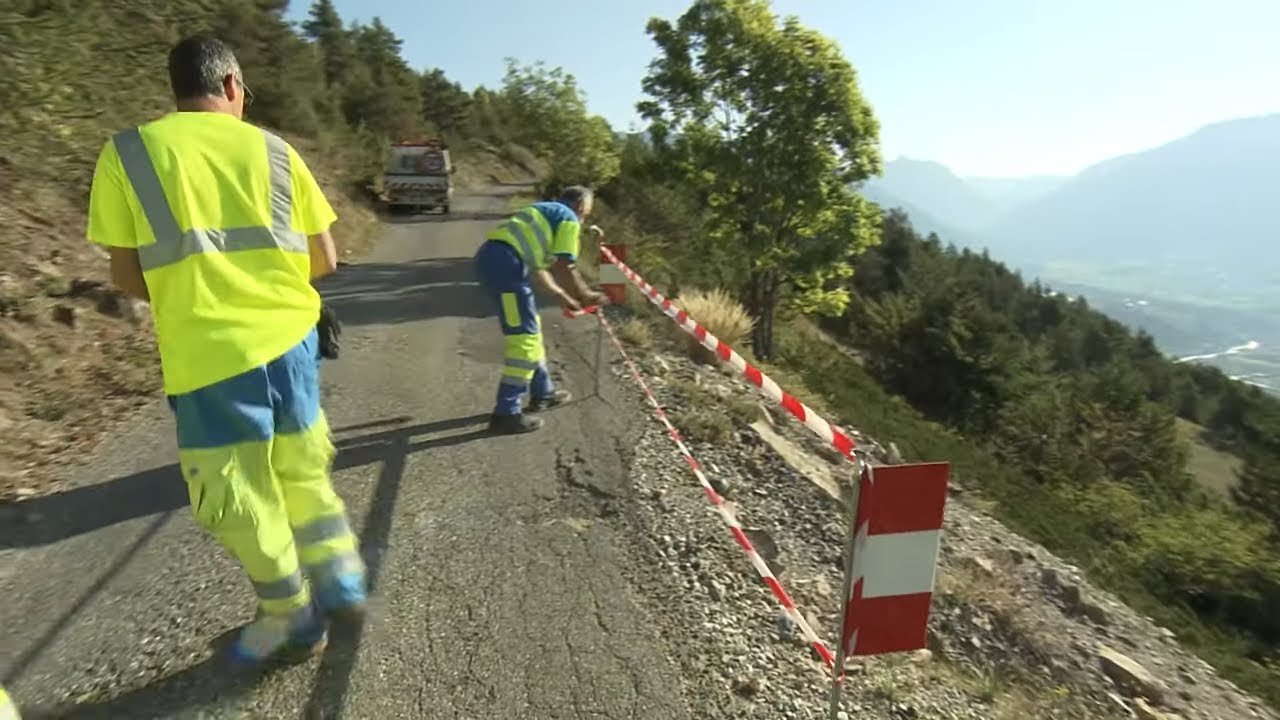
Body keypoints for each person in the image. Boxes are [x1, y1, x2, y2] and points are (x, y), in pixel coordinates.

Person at [86, 35, 367, 666]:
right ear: (233, 85)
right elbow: (324, 258)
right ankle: (342, 581)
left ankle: (293, 618)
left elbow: (126, 276)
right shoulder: (276, 150)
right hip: (293, 344)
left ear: (177, 88)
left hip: (209, 357)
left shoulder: (128, 153)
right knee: (302, 470)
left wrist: (195, 291)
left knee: (240, 498)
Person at [474, 186, 608, 434]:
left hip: (497, 262)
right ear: (580, 207)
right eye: (586, 214)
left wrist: (562, 295)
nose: (584, 219)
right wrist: (586, 295)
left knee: (530, 329)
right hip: (507, 269)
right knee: (524, 339)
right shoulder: (568, 218)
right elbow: (565, 265)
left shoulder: (543, 212)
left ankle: (543, 392)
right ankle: (506, 412)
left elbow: (540, 269)